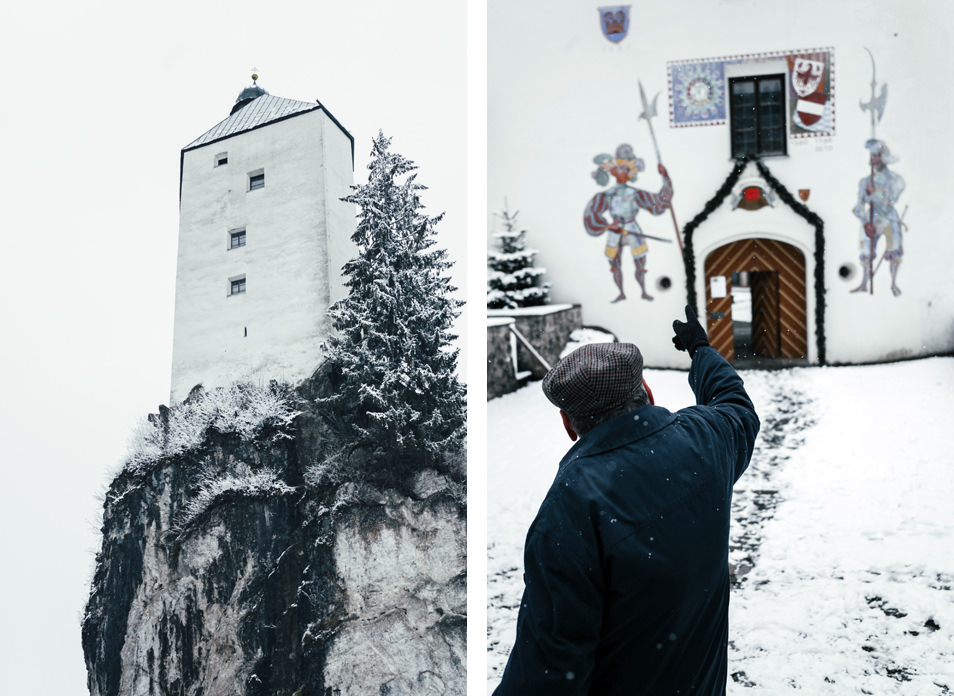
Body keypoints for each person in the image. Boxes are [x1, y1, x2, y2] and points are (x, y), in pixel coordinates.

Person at [493, 306, 760, 696]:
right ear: (647, 392)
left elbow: (549, 670)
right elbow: (735, 404)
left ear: (569, 425)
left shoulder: (570, 509)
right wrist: (701, 350)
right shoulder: (707, 438)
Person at [584, 144, 673, 303]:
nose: (623, 172)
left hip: (632, 228)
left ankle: (644, 291)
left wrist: (666, 178)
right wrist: (607, 226)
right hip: (615, 230)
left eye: (626, 169)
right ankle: (621, 293)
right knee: (615, 263)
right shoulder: (607, 195)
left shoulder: (635, 194)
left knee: (640, 263)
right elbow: (592, 213)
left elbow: (658, 202)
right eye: (620, 169)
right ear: (613, 171)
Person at [851, 139, 905, 296]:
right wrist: (865, 222)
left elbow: (892, 199)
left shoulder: (895, 180)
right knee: (865, 246)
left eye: (878, 156)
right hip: (871, 218)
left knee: (894, 245)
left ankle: (893, 284)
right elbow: (859, 205)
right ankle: (864, 282)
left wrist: (875, 193)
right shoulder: (865, 182)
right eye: (873, 156)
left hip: (888, 217)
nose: (875, 159)